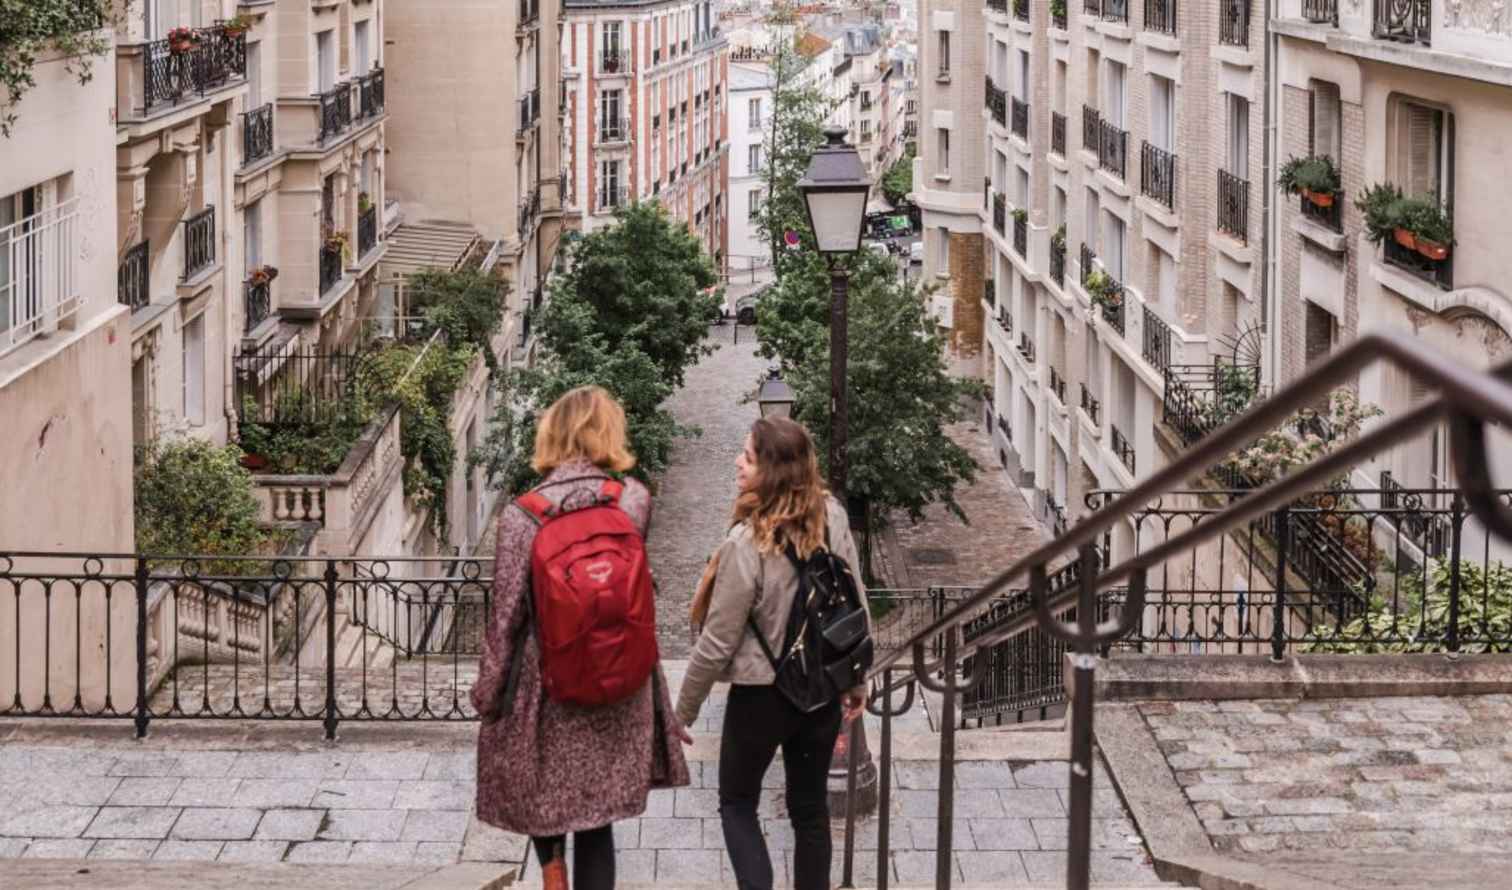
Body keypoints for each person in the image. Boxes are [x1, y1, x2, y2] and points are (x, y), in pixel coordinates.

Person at [471, 385, 691, 890]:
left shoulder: (523, 516)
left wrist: (488, 695)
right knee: (598, 822)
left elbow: (506, 616)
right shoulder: (632, 500)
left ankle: (552, 874)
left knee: (543, 801)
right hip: (621, 687)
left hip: (549, 688)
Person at [678, 416, 870, 890]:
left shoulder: (745, 543)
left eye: (747, 457)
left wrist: (681, 711)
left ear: (773, 470)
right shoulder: (834, 516)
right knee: (810, 812)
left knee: (738, 804)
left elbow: (717, 641)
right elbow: (855, 602)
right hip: (821, 692)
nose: (737, 463)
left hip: (760, 697)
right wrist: (855, 679)